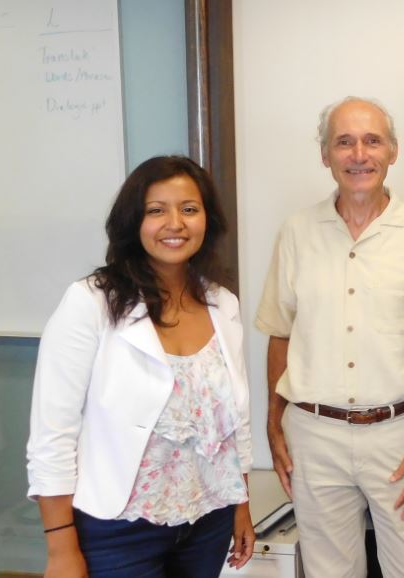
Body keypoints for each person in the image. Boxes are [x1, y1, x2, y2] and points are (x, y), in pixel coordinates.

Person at [25, 155, 255, 578]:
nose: (175, 223)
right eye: (156, 210)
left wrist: (241, 503)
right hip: (118, 529)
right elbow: (52, 435)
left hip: (208, 518)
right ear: (133, 222)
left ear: (207, 219)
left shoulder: (222, 303)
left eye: (189, 209)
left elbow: (234, 421)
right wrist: (60, 548)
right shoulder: (91, 302)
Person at [256, 96, 404, 577]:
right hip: (314, 435)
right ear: (325, 155)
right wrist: (274, 425)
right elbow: (280, 333)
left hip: (403, 436)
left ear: (393, 151)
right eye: (344, 142)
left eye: (372, 141)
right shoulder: (296, 232)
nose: (359, 155)